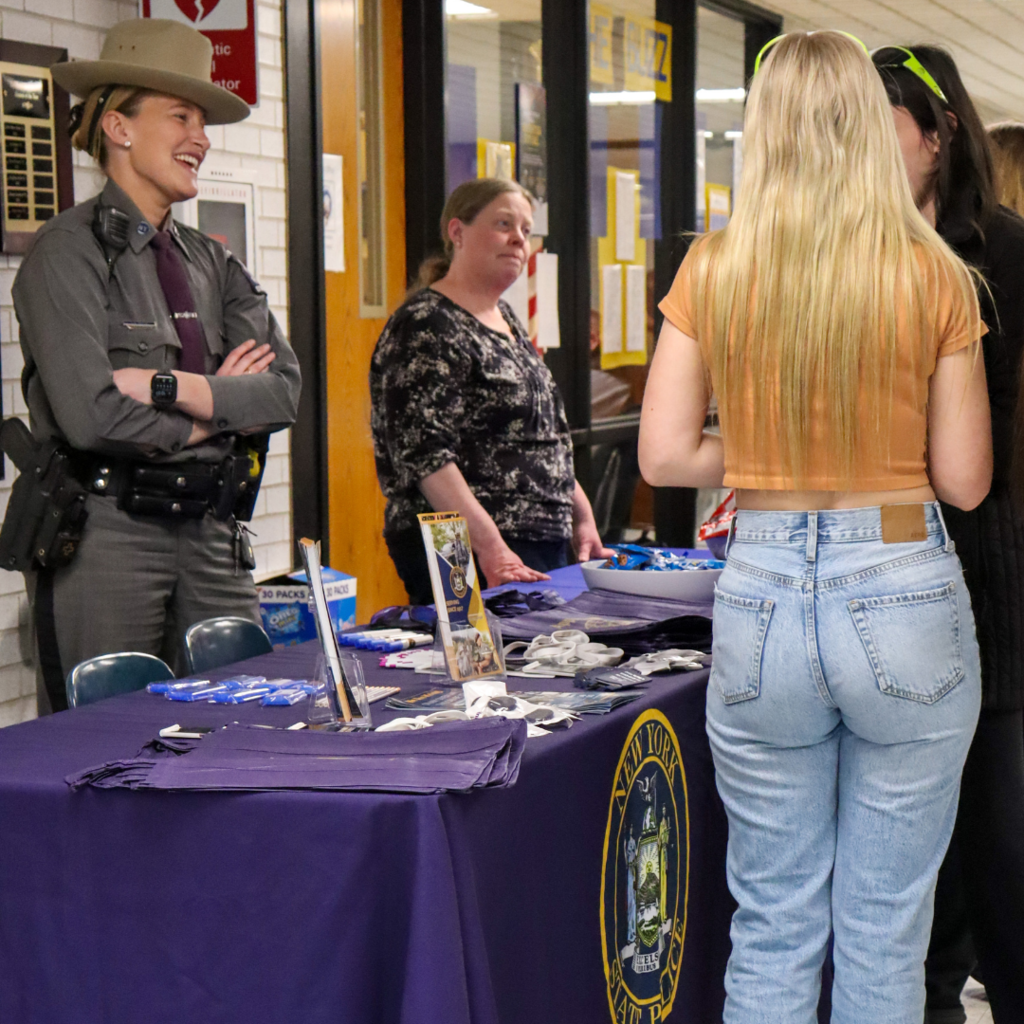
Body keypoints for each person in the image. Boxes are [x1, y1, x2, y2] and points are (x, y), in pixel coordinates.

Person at [640, 31, 991, 1023]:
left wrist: (756, 460)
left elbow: (665, 455)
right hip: (900, 586)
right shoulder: (932, 272)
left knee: (774, 922)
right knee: (884, 930)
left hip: (759, 599)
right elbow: (964, 481)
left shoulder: (715, 266)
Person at [13, 19, 301, 713]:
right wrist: (216, 414)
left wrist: (176, 388)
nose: (200, 138)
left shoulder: (212, 260)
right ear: (117, 126)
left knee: (239, 728)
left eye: (202, 121)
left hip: (212, 533)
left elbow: (284, 391)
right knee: (107, 752)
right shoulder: (66, 255)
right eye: (180, 117)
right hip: (108, 537)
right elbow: (93, 416)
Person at [872, 46, 1024, 1024]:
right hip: (880, 579)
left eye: (881, 130)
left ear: (939, 134)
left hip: (989, 562)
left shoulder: (1001, 247)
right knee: (908, 865)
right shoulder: (846, 249)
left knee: (1001, 843)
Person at [370, 177, 610, 604]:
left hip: (537, 540)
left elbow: (543, 435)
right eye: (504, 224)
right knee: (485, 668)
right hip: (471, 546)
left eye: (526, 230)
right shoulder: (426, 324)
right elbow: (425, 455)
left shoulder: (508, 320)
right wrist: (489, 546)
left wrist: (582, 518)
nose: (518, 239)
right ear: (457, 232)